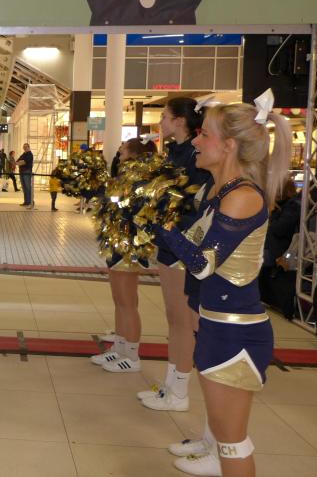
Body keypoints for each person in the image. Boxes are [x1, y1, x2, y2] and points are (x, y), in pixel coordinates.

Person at [153, 94, 290, 477]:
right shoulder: (222, 192)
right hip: (218, 325)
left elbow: (201, 264)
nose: (196, 141)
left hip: (235, 334)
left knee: (232, 444)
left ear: (228, 146)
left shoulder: (242, 197)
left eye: (205, 134)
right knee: (225, 438)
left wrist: (159, 226)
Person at [139, 98, 211, 413]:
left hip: (184, 244)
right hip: (169, 242)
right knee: (173, 317)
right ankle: (171, 385)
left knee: (183, 320)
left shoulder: (194, 156)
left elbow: (195, 204)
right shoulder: (174, 152)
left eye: (165, 117)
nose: (161, 122)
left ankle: (179, 389)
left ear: (180, 120)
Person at [90, 137, 157, 374]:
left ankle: (132, 354)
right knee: (119, 299)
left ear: (133, 154)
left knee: (128, 302)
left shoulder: (141, 180)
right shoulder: (123, 178)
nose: (119, 155)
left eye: (122, 151)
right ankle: (119, 348)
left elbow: (137, 213)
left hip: (130, 246)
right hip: (117, 243)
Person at [259, 178, 300, 320]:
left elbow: (279, 229)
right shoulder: (283, 206)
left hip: (280, 249)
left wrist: (272, 215)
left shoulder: (292, 206)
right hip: (272, 246)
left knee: (255, 260)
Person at [17, 143, 34, 208]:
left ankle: (30, 201)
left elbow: (24, 162)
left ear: (28, 147)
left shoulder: (30, 154)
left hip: (27, 172)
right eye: (23, 147)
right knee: (24, 188)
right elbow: (17, 161)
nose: (24, 148)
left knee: (28, 187)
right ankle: (26, 201)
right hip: (21, 172)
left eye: (26, 147)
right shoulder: (24, 154)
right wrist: (21, 162)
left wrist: (21, 162)